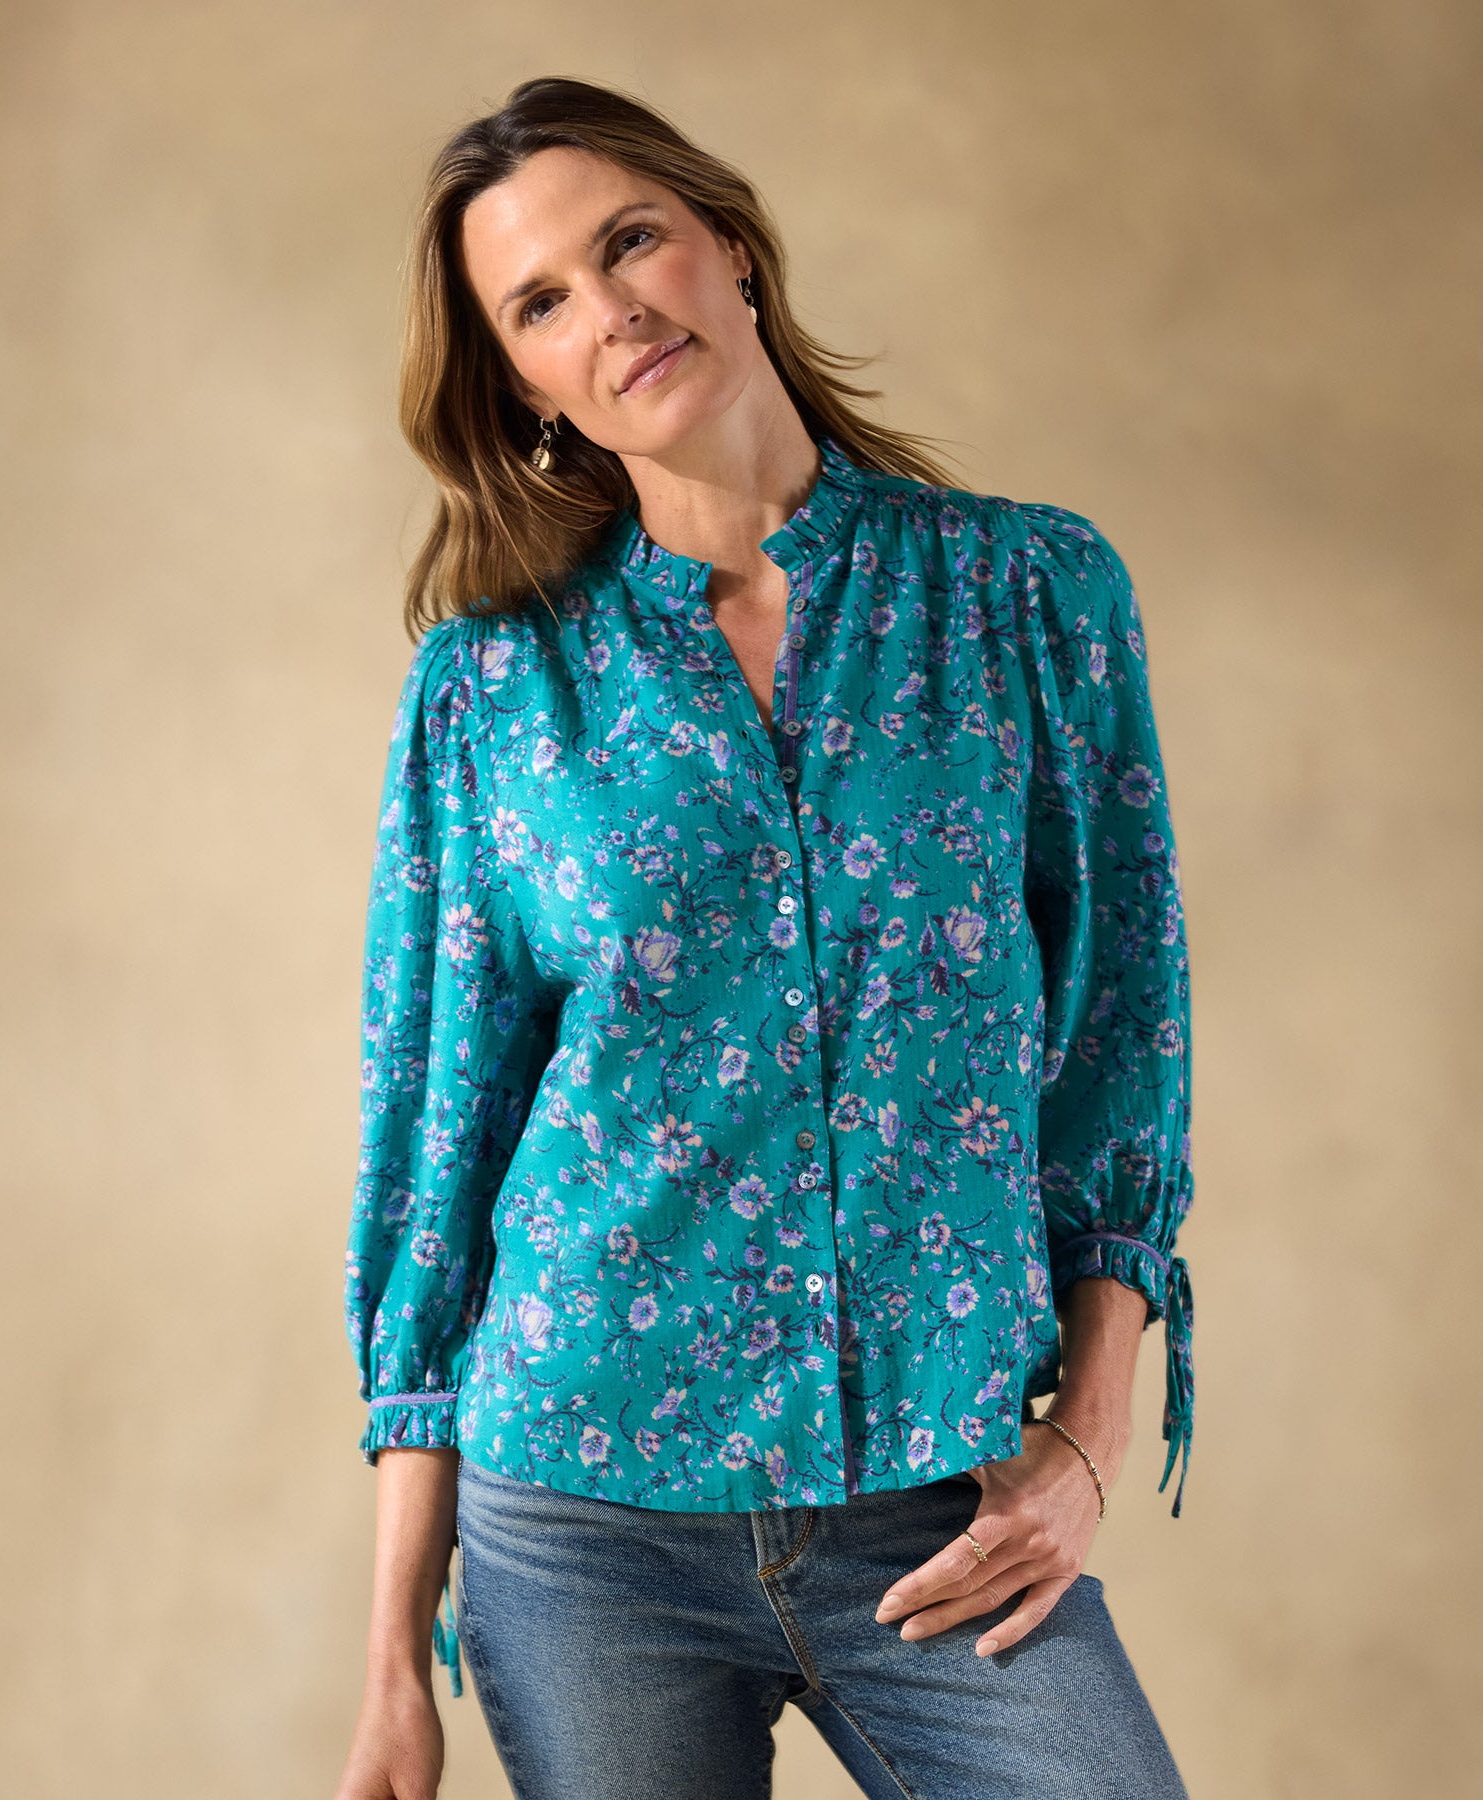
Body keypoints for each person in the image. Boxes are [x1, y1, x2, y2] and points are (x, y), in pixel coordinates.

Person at [334, 76, 1197, 1800]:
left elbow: (1121, 1035)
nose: (611, 311)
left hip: (936, 1493)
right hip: (583, 1520)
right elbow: (442, 1153)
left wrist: (1092, 1440)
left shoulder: (1026, 596)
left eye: (630, 241)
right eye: (541, 304)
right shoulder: (492, 690)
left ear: (729, 246)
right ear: (527, 388)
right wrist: (392, 1680)